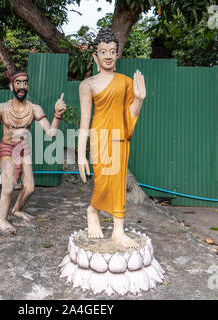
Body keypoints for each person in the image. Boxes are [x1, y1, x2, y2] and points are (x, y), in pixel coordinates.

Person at [78, 28, 147, 249]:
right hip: (99, 138)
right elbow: (84, 122)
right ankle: (92, 211)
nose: (108, 55)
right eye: (103, 51)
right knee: (102, 182)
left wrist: (139, 99)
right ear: (95, 56)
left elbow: (131, 115)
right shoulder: (87, 85)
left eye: (112, 51)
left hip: (119, 138)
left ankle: (118, 230)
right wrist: (80, 154)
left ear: (117, 54)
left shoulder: (126, 82)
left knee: (118, 183)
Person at [0, 70, 66, 235]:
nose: (22, 86)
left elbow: (51, 133)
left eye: (25, 83)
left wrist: (57, 115)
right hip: (7, 148)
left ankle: (16, 210)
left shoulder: (35, 108)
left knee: (29, 188)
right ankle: (2, 219)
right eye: (18, 83)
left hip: (24, 150)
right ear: (11, 86)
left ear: (28, 86)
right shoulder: (1, 108)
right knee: (8, 187)